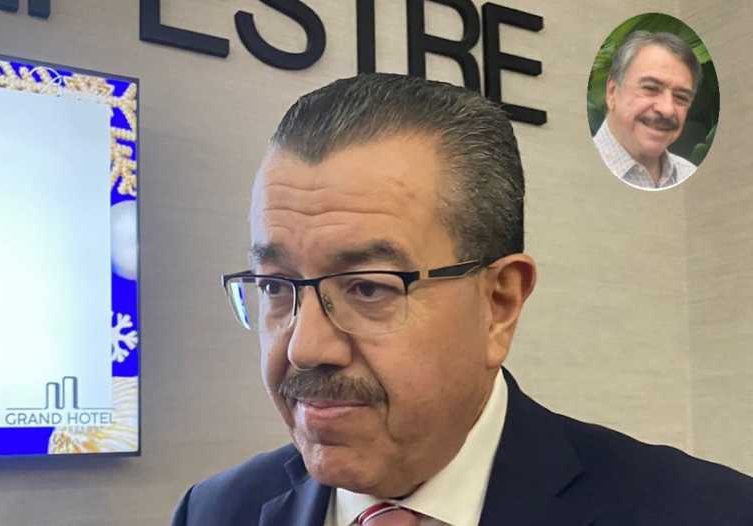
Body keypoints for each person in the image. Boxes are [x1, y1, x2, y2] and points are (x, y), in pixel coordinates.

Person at [173, 73, 753, 526]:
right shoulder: (215, 513)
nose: (305, 348)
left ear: (499, 304)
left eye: (368, 288)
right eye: (276, 287)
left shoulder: (706, 513)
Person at [593, 31, 702, 190]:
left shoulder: (690, 176)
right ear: (612, 91)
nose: (667, 109)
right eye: (651, 88)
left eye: (681, 97)